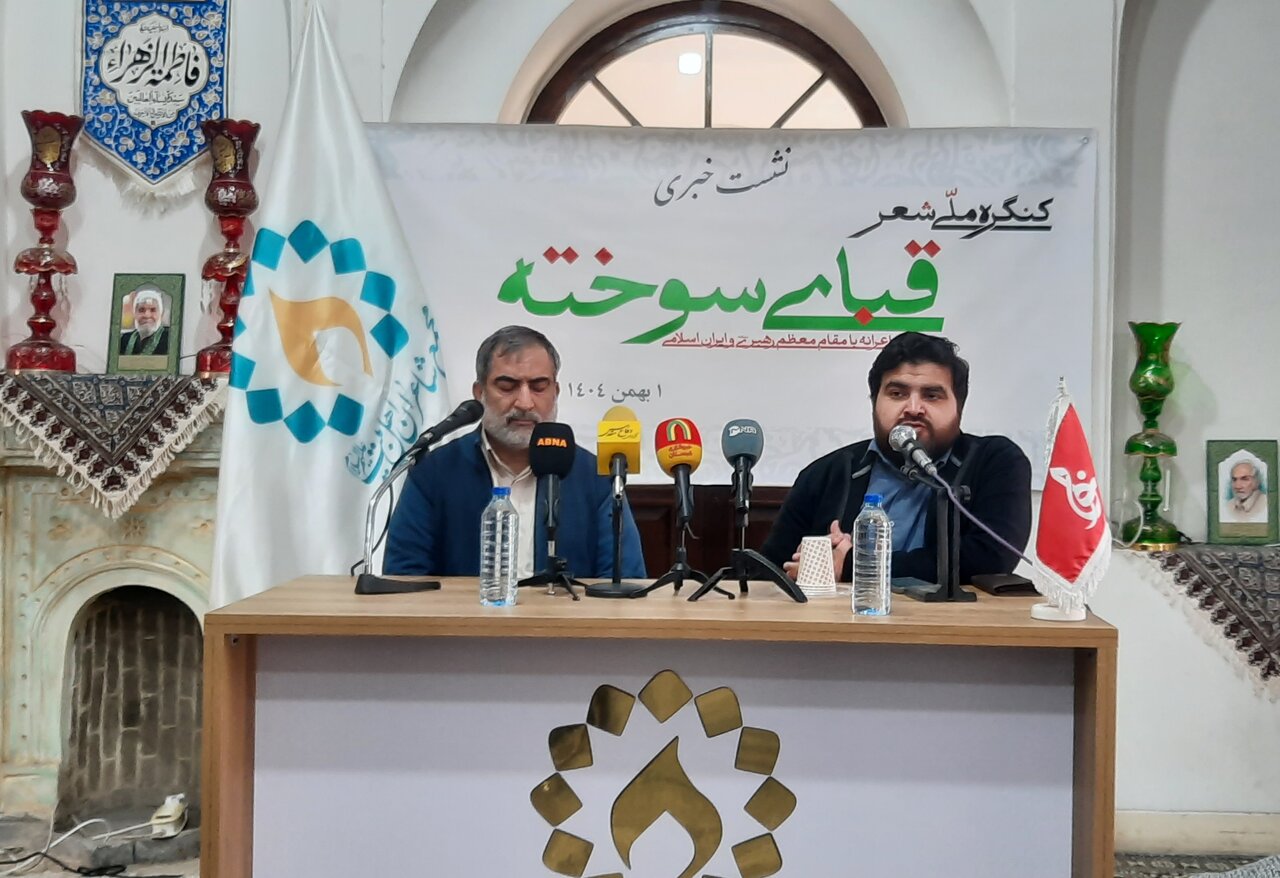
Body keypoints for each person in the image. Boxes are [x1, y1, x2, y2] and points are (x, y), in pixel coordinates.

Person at [760, 332, 1032, 584]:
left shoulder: (995, 461)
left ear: (958, 407)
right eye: (897, 394)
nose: (913, 408)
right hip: (842, 620)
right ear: (874, 402)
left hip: (950, 620)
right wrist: (807, 565)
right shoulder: (827, 473)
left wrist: (854, 566)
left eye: (932, 395)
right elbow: (769, 570)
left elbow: (992, 558)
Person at [384, 325, 647, 579]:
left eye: (538, 386)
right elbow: (405, 577)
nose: (524, 402)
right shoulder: (435, 472)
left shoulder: (595, 477)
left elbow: (625, 578)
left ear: (555, 392)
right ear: (479, 393)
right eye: (507, 386)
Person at [117, 286, 171, 356]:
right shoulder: (124, 340)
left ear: (161, 314)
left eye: (153, 310)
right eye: (141, 310)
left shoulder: (170, 338)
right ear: (134, 313)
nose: (147, 315)